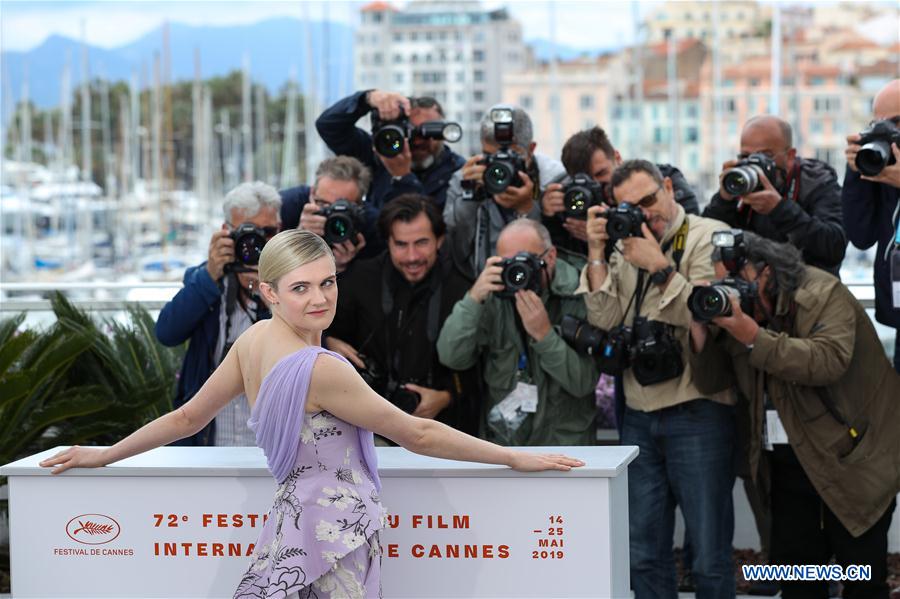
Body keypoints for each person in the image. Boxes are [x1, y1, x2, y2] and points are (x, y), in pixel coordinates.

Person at [41, 229, 584, 598]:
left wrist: (107, 453)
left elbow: (186, 418)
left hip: (291, 523)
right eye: (301, 288)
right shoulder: (321, 368)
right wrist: (514, 458)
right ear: (268, 291)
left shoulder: (253, 342)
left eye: (327, 282)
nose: (320, 299)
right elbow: (416, 432)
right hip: (339, 532)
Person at [688, 232, 900, 599]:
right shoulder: (745, 315)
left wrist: (753, 336)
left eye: (736, 282)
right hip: (787, 469)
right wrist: (699, 331)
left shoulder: (819, 293)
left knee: (863, 581)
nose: (729, 292)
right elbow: (710, 382)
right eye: (721, 283)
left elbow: (826, 361)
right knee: (800, 581)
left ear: (767, 273)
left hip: (851, 462)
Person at [581, 159, 735, 598]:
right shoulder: (624, 246)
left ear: (668, 187)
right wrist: (596, 252)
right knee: (643, 554)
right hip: (640, 414)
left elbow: (707, 317)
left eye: (649, 199)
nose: (644, 214)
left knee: (708, 557)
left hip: (699, 410)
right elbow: (605, 317)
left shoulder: (707, 236)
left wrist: (661, 267)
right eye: (630, 207)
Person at [325, 194, 481, 435]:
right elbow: (311, 336)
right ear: (387, 241)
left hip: (446, 431)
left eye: (421, 243)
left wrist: (447, 396)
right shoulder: (359, 279)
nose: (412, 257)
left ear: (440, 240)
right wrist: (328, 343)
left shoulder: (463, 289)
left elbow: (483, 367)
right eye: (401, 244)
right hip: (368, 429)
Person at [437, 219, 599, 446]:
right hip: (506, 445)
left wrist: (544, 335)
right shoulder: (493, 295)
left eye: (525, 260)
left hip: (566, 445)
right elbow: (451, 356)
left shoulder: (579, 291)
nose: (517, 272)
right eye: (508, 263)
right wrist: (473, 299)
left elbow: (584, 382)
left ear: (550, 257)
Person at [155, 181, 280, 446]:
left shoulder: (290, 285)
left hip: (268, 442)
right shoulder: (205, 279)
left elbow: (305, 351)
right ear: (226, 232)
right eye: (249, 232)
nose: (257, 243)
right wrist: (210, 275)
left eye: (268, 232)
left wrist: (269, 291)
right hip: (208, 440)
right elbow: (167, 332)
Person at [703, 115, 846, 276]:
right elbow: (707, 243)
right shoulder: (741, 182)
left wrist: (779, 209)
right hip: (753, 293)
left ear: (790, 156)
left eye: (765, 156)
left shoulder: (817, 183)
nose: (754, 164)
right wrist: (724, 198)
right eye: (745, 156)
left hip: (805, 292)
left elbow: (834, 247)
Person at [442, 104, 567, 280]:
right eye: (490, 156)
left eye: (511, 156)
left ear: (531, 149)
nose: (500, 167)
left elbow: (560, 253)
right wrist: (469, 196)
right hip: (479, 283)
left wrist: (528, 209)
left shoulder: (554, 180)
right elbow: (456, 249)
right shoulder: (465, 178)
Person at [543, 126, 700, 255]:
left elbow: (689, 226)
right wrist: (548, 216)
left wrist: (612, 236)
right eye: (588, 183)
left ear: (617, 158)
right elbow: (560, 258)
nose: (598, 186)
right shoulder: (575, 202)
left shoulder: (659, 179)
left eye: (602, 173)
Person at [315, 89, 465, 214]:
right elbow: (328, 126)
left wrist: (402, 177)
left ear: (443, 133)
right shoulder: (379, 156)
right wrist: (367, 99)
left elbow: (423, 228)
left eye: (430, 132)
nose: (418, 141)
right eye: (411, 132)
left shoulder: (458, 172)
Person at [842, 78, 900, 373]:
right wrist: (857, 173)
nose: (888, 133)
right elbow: (861, 236)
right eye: (878, 124)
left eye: (896, 123)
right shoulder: (883, 166)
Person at [279, 156, 375, 270]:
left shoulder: (371, 225)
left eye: (342, 207)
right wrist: (298, 238)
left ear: (359, 206)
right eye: (324, 204)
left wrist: (343, 269)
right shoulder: (286, 206)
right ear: (312, 193)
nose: (333, 214)